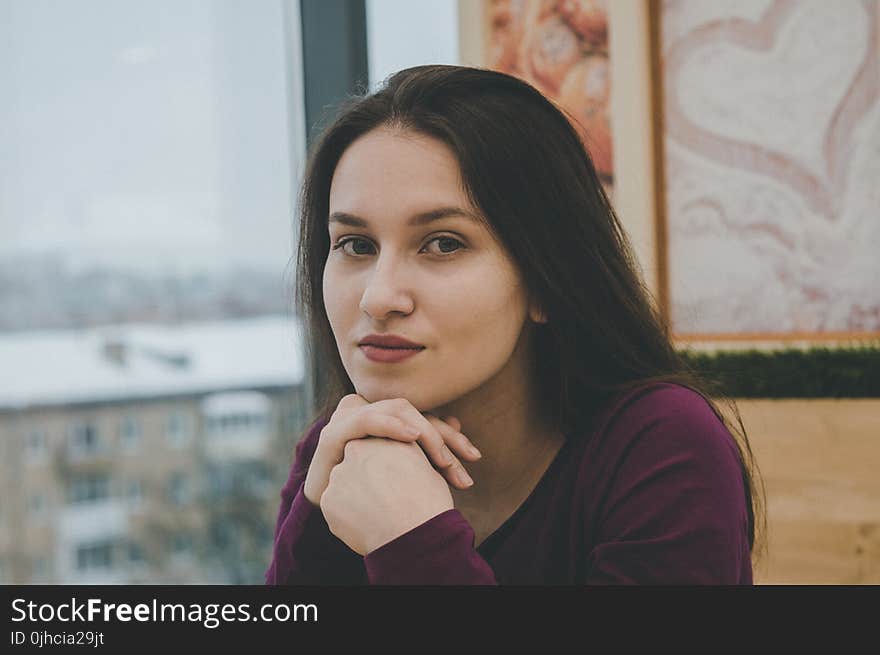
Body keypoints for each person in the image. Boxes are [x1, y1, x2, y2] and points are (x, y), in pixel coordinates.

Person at [265, 64, 766, 585]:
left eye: (443, 243)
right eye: (355, 245)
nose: (379, 297)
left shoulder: (662, 445)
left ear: (547, 279)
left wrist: (413, 544)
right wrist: (316, 531)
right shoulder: (342, 445)